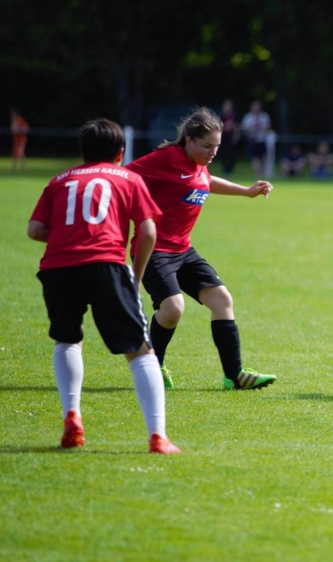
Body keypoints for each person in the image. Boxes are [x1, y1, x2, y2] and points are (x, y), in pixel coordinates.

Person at [27, 118, 180, 454]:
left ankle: (72, 415)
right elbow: (149, 231)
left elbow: (35, 229)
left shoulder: (59, 181)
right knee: (140, 351)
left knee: (68, 340)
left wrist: (69, 236)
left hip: (57, 268)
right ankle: (158, 436)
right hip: (105, 265)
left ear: (82, 152)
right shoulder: (129, 178)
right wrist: (135, 276)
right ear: (120, 153)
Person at [126, 107, 277, 390]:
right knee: (173, 309)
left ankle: (234, 376)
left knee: (222, 301)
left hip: (183, 250)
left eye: (217, 147)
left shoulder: (198, 163)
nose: (213, 153)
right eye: (207, 146)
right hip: (154, 251)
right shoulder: (166, 159)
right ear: (189, 141)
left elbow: (206, 180)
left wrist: (246, 192)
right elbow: (124, 176)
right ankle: (151, 367)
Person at [240, 100, 271, 177]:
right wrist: (251, 127)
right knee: (254, 157)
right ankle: (258, 173)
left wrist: (261, 127)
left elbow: (268, 126)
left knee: (264, 156)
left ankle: (263, 171)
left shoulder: (264, 116)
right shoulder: (248, 117)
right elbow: (243, 128)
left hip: (262, 139)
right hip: (252, 139)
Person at [219, 99, 240, 175]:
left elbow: (237, 127)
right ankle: (225, 170)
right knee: (224, 153)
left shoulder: (235, 116)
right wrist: (225, 127)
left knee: (233, 154)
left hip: (231, 136)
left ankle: (230, 170)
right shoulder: (221, 116)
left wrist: (236, 136)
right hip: (223, 136)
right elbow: (218, 128)